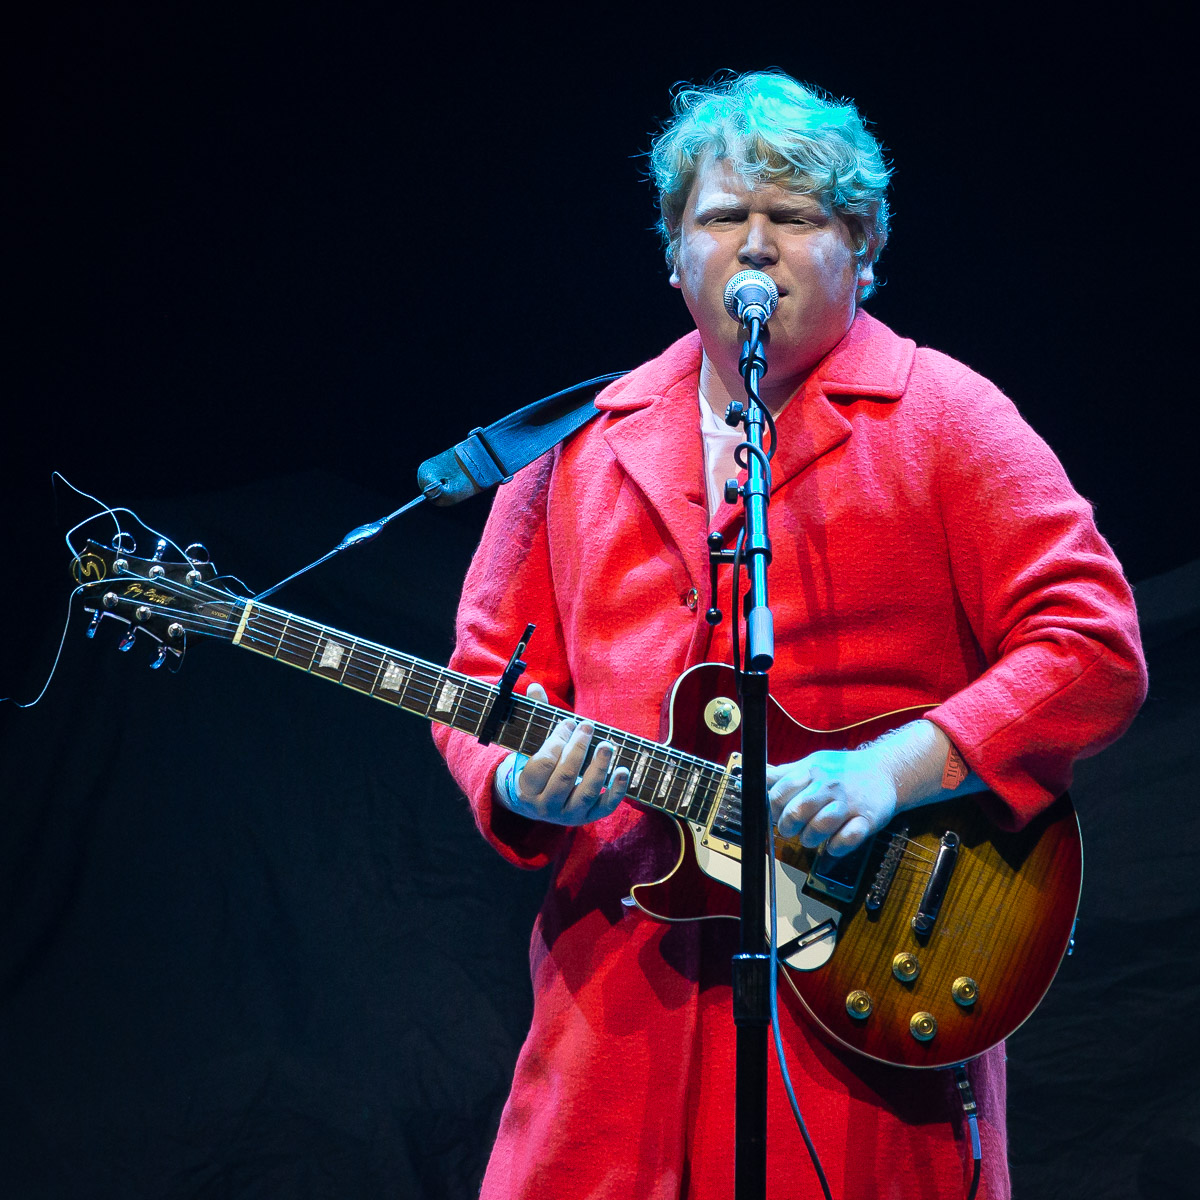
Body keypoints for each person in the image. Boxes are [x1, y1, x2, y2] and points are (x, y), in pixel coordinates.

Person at [432, 71, 1146, 1200]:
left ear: (861, 250)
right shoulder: (579, 448)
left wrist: (891, 770)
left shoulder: (947, 416)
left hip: (870, 987)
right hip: (619, 1005)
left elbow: (1093, 646)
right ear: (674, 255)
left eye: (796, 219)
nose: (754, 247)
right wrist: (522, 784)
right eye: (721, 219)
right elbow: (482, 676)